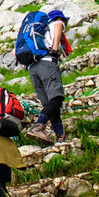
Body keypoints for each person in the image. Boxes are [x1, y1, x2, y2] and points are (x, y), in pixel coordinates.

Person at [17, 9, 70, 143]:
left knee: (49, 104)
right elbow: (58, 25)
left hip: (32, 68)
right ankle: (38, 127)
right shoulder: (55, 23)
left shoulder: (30, 33)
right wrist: (55, 49)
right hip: (47, 63)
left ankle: (60, 136)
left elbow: (14, 51)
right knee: (57, 98)